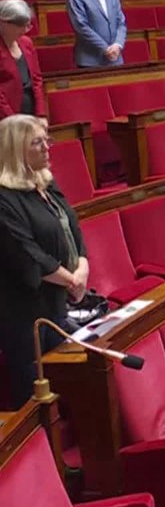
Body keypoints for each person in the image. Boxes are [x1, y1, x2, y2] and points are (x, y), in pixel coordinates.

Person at [0, 115, 86, 410]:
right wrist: (71, 279)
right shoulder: (4, 198)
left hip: (56, 301)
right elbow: (26, 252)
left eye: (46, 140)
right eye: (38, 143)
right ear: (15, 149)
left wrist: (83, 264)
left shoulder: (46, 183)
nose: (47, 148)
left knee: (71, 383)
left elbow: (71, 225)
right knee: (36, 398)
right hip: (25, 313)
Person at [67, 0, 126, 68]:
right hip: (90, 60)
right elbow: (81, 27)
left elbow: (121, 22)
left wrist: (118, 45)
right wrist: (105, 49)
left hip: (115, 59)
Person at [0, 0, 45, 121]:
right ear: (3, 23)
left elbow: (36, 80)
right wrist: (13, 121)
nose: (25, 30)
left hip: (30, 112)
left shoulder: (27, 43)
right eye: (20, 25)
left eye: (28, 25)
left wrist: (41, 115)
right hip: (5, 117)